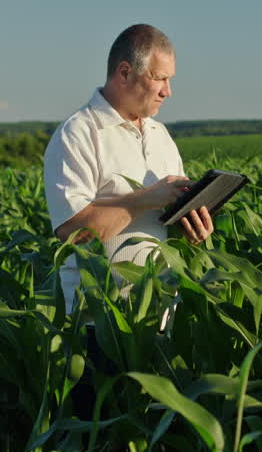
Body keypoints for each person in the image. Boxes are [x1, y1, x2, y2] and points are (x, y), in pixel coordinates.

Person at [44, 23, 215, 316]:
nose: (168, 91)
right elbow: (73, 234)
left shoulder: (160, 135)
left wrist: (193, 230)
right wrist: (145, 198)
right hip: (100, 320)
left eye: (170, 79)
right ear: (125, 73)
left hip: (160, 315)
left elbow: (165, 229)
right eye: (160, 78)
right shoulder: (78, 134)